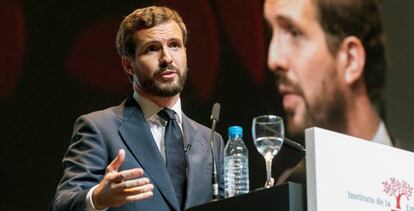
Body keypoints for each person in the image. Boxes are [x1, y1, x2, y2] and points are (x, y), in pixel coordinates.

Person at [50, 6, 224, 211]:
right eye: (152, 48)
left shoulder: (211, 140)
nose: (167, 58)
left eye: (175, 45)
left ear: (186, 53)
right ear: (128, 65)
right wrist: (97, 198)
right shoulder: (99, 128)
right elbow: (61, 205)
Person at [264, 0, 394, 185]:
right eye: (271, 33)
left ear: (350, 60)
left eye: (294, 33)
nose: (273, 59)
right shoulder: (286, 192)